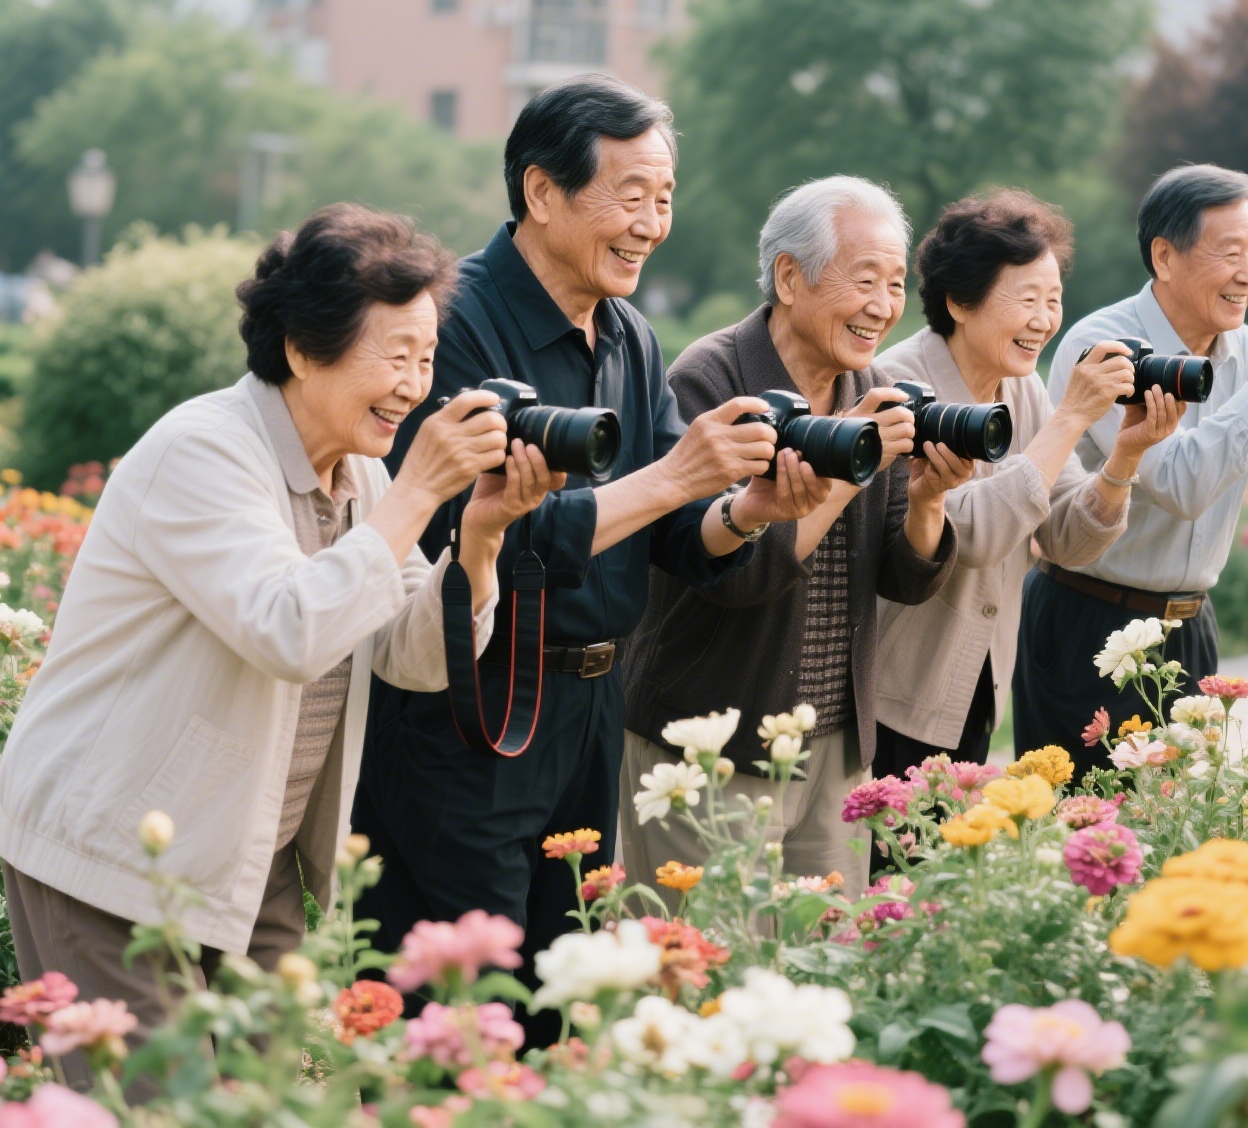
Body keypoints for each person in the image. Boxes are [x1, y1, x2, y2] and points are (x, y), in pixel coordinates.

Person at [0, 204, 559, 1089]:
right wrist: (417, 495)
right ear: (301, 347)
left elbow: (409, 655)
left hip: (250, 856)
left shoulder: (362, 474)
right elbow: (288, 629)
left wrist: (478, 536)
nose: (417, 386)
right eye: (394, 355)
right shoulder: (205, 452)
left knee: (270, 1105)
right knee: (146, 1107)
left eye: (426, 356)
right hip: (115, 861)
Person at [354, 78, 818, 1023]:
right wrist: (677, 478)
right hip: (469, 713)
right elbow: (465, 536)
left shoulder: (630, 335)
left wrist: (751, 508)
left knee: (564, 999)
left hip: (589, 715)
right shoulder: (451, 326)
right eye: (630, 194)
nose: (652, 223)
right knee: (461, 1009)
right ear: (540, 193)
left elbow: (676, 533)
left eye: (665, 197)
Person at [619, 176, 967, 900]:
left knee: (824, 969)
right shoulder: (712, 381)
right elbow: (736, 574)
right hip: (713, 743)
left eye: (896, 283)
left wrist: (929, 499)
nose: (884, 305)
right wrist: (852, 463)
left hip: (835, 744)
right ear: (789, 275)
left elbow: (904, 578)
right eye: (864, 278)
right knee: (711, 969)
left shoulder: (864, 381)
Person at [1014, 164, 1248, 775]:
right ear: (1164, 256)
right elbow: (1180, 486)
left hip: (1190, 627)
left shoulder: (1247, 349)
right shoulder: (1105, 347)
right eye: (1229, 253)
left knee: (1182, 836)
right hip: (1089, 625)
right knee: (1087, 835)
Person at [872, 190, 1180, 777]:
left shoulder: (1023, 389)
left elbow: (1068, 540)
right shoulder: (898, 387)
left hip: (981, 684)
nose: (1044, 320)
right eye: (1027, 299)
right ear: (959, 302)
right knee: (895, 863)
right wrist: (1070, 418)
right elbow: (972, 536)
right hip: (897, 696)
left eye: (1054, 299)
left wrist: (1123, 457)